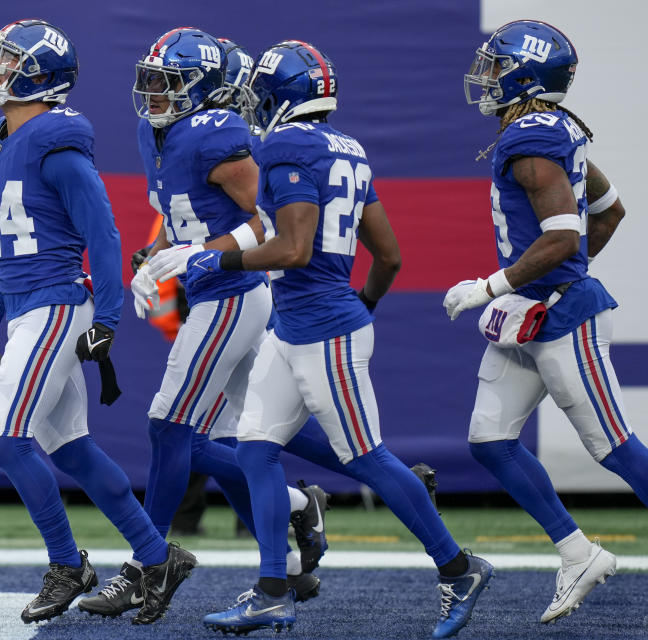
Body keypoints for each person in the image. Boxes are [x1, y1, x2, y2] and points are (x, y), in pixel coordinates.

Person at [191, 40, 493, 638]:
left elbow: (294, 249)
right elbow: (390, 255)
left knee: (366, 458)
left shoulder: (285, 144)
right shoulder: (347, 148)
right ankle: (274, 590)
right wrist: (366, 306)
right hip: (298, 324)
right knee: (254, 450)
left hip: (321, 331)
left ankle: (458, 568)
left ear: (284, 94)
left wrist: (214, 263)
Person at [0, 19, 196, 626]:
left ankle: (67, 564)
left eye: (7, 62)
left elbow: (102, 237)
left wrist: (106, 317)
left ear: (38, 75)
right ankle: (158, 557)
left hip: (58, 307)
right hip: (29, 306)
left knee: (6, 438)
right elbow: (12, 250)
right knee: (73, 450)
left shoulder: (56, 142)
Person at [78, 27, 326, 619]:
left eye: (169, 83)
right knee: (246, 437)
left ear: (206, 89)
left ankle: (148, 562)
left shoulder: (223, 138)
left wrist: (194, 257)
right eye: (151, 80)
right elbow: (179, 212)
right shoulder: (154, 131)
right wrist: (156, 255)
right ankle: (295, 542)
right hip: (211, 291)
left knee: (170, 428)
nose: (154, 93)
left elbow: (268, 225)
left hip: (232, 294)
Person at [451, 19, 648, 623]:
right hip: (527, 315)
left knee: (611, 448)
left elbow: (565, 237)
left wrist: (493, 284)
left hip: (564, 319)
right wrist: (527, 285)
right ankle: (576, 552)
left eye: (495, 67)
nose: (485, 78)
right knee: (490, 439)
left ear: (525, 76)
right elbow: (609, 213)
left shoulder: (530, 139)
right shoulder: (551, 129)